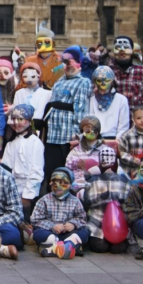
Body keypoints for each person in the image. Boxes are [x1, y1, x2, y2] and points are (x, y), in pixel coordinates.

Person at [43, 46, 92, 186]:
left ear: (79, 62)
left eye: (72, 61)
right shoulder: (58, 82)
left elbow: (81, 109)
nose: (68, 65)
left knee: (68, 175)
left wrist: (78, 135)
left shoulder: (83, 82)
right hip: (52, 136)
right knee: (51, 173)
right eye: (65, 62)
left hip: (68, 137)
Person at [1, 104, 43, 241]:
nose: (17, 123)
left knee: (26, 219)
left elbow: (36, 170)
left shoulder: (35, 142)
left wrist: (28, 194)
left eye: (21, 119)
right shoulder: (11, 142)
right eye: (15, 119)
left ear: (29, 121)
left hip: (27, 188)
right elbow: (6, 168)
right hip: (13, 186)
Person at [31, 167, 89, 259]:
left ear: (70, 184)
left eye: (64, 183)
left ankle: (56, 247)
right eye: (55, 183)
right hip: (50, 233)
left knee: (84, 232)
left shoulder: (75, 201)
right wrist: (52, 226)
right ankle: (69, 247)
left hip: (68, 233)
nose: (58, 187)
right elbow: (35, 219)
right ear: (51, 183)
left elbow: (82, 218)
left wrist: (73, 224)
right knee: (38, 233)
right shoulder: (44, 200)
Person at [81, 171, 129, 254]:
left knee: (117, 248)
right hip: (97, 224)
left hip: (119, 224)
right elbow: (86, 202)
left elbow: (129, 203)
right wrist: (100, 198)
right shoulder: (92, 180)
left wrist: (122, 202)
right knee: (100, 246)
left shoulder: (124, 180)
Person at [64, 116, 117, 191]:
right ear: (82, 131)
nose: (91, 131)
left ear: (98, 131)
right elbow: (67, 168)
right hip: (77, 187)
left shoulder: (105, 150)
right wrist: (77, 163)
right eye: (87, 129)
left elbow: (111, 170)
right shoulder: (76, 151)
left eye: (94, 129)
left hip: (99, 187)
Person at [107, 36, 143, 108]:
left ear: (132, 50)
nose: (122, 50)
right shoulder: (106, 72)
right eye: (117, 47)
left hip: (135, 117)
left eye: (126, 47)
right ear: (113, 51)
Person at [88, 66, 130, 140]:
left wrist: (117, 141)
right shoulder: (91, 99)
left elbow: (123, 126)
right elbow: (88, 121)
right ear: (94, 81)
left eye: (107, 80)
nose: (103, 83)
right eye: (99, 80)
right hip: (94, 138)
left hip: (115, 139)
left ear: (113, 81)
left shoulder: (121, 99)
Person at [23, 24, 64, 89]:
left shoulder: (60, 61)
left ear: (52, 43)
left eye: (47, 42)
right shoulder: (30, 60)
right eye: (40, 43)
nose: (43, 46)